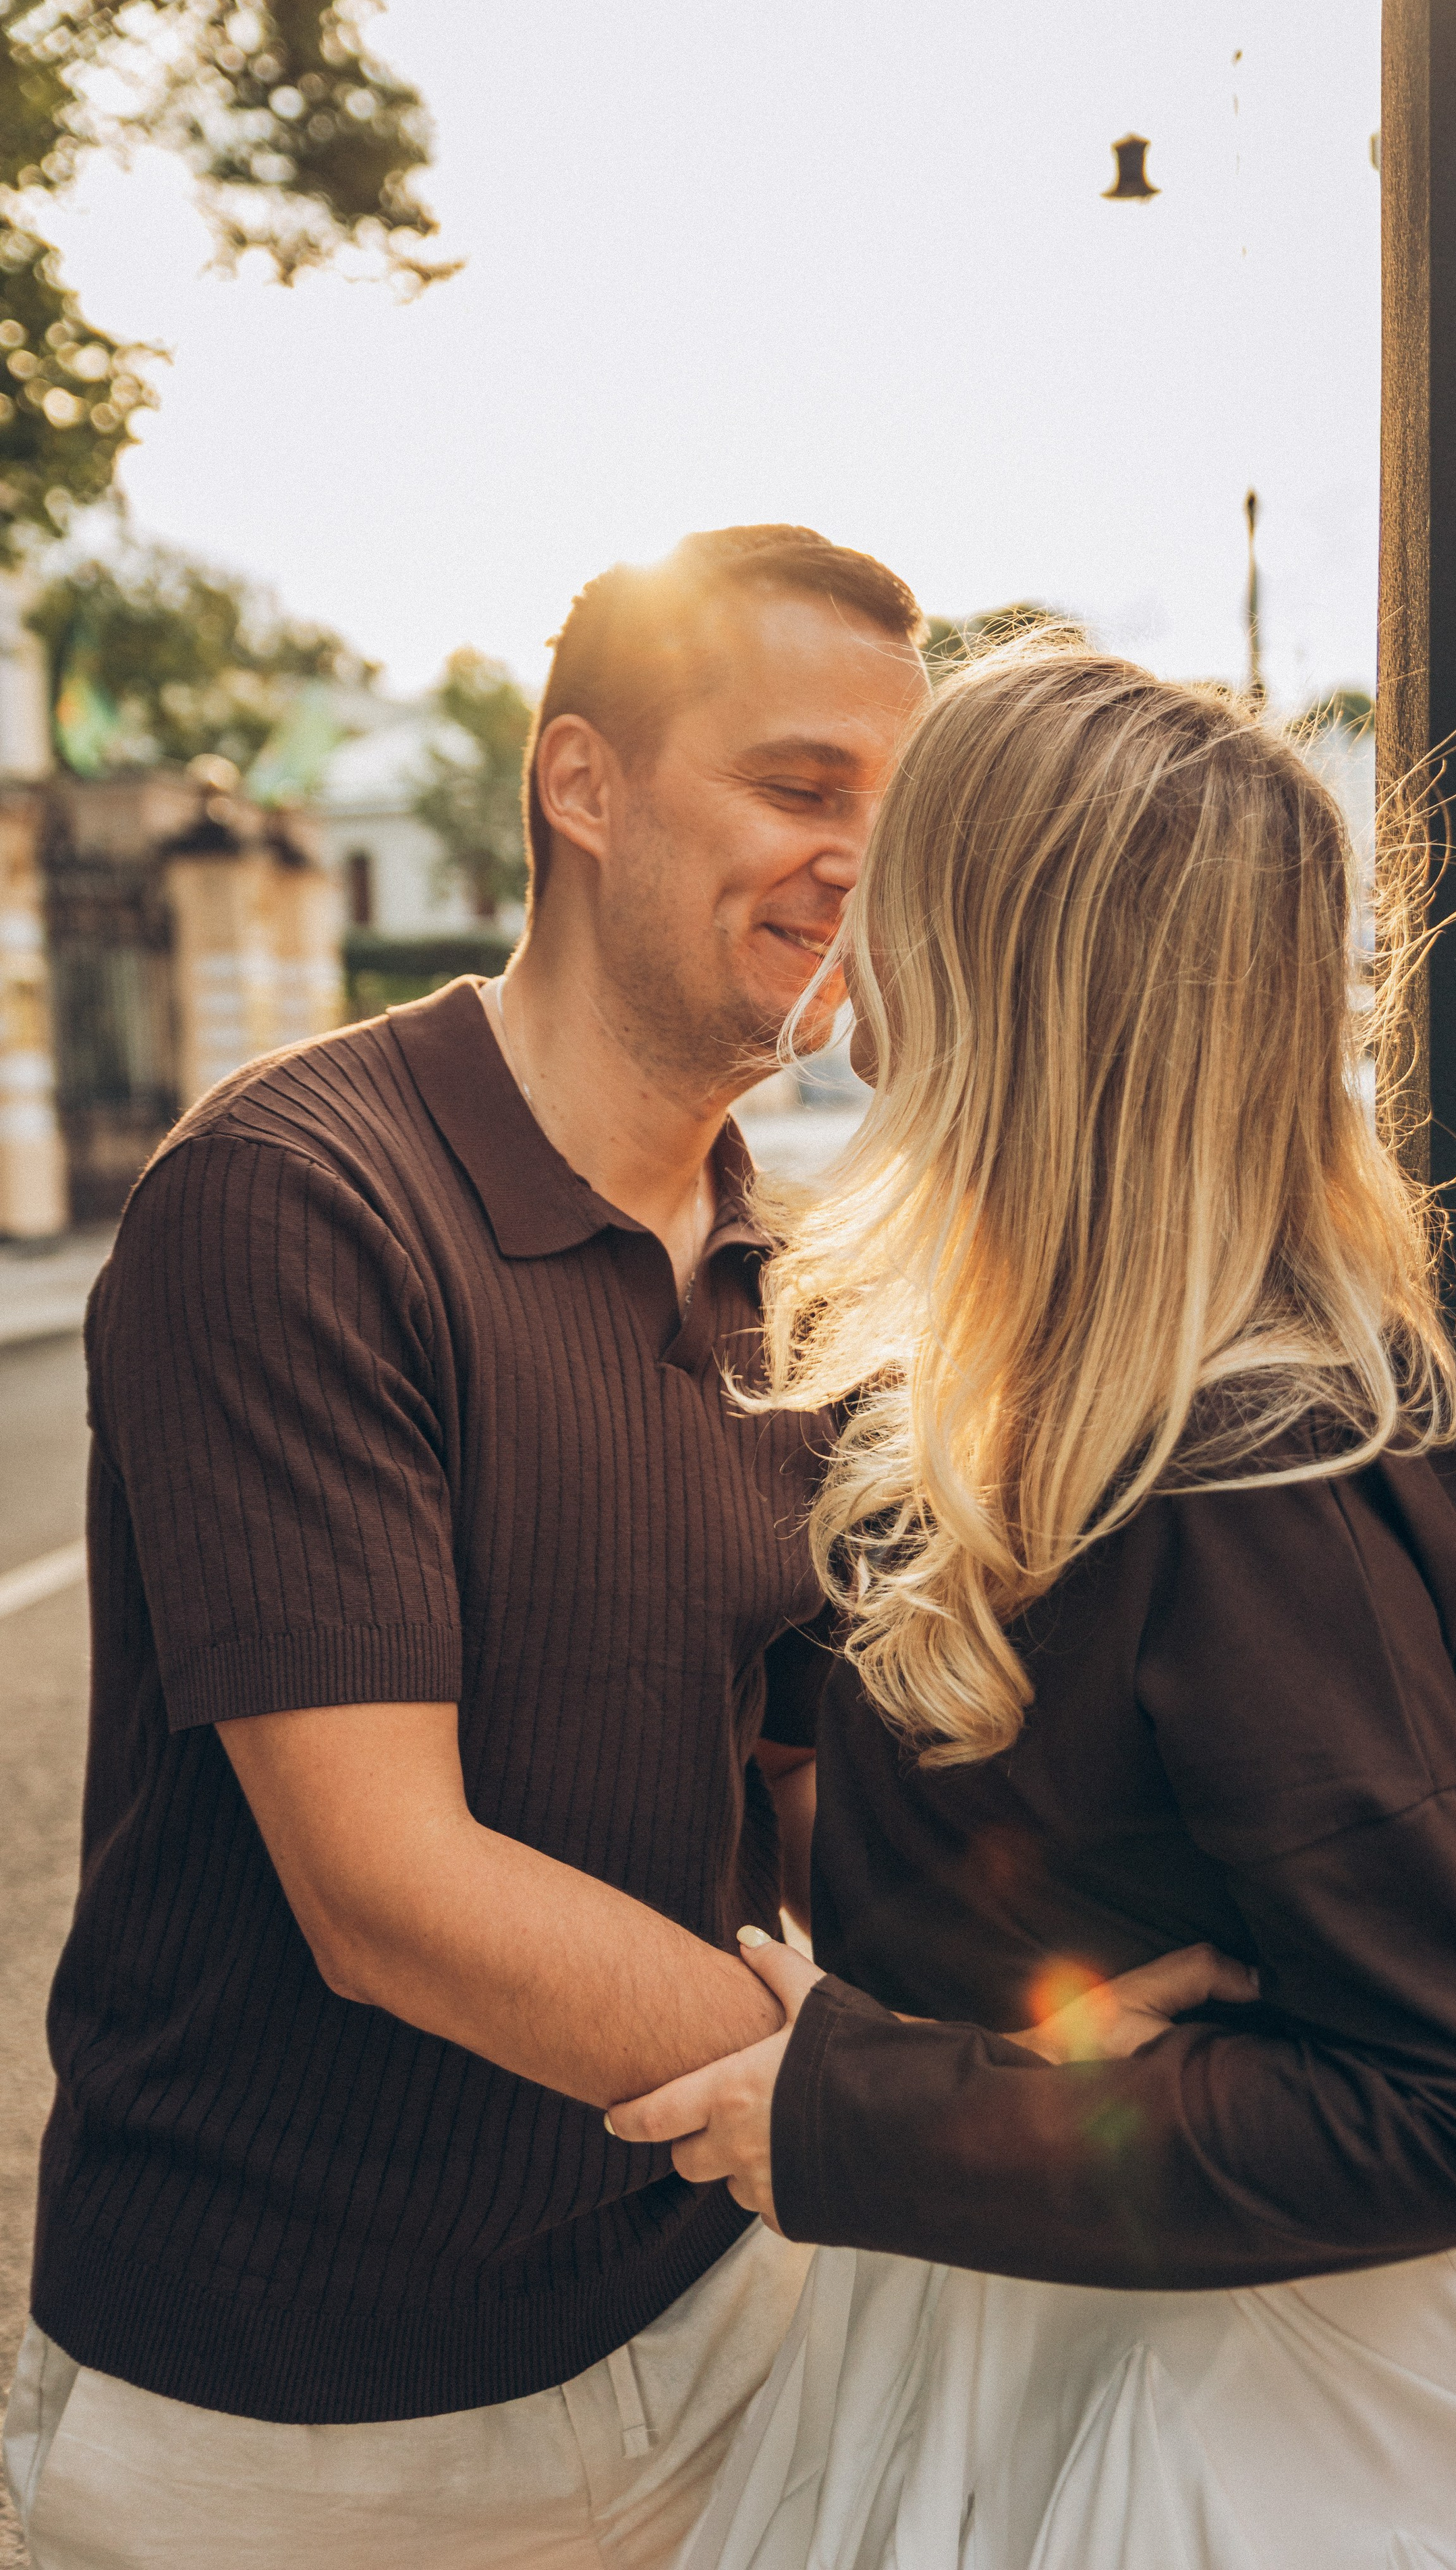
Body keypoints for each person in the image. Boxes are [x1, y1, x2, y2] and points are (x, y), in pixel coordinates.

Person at [2, 525, 930, 2570]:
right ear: (580, 786)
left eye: (896, 808)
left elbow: (802, 1785)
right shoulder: (298, 1198)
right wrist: (910, 2130)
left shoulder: (798, 1269)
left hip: (706, 2323)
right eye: (798, 789)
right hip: (291, 2422)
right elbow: (390, 1895)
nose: (859, 865)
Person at [609, 645, 1456, 2569]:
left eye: (910, 856)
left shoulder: (1242, 1483)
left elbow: (1448, 2114)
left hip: (1234, 2416)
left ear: (1008, 958)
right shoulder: (1104, 1408)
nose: (853, 907)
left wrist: (867, 2110)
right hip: (1074, 2328)